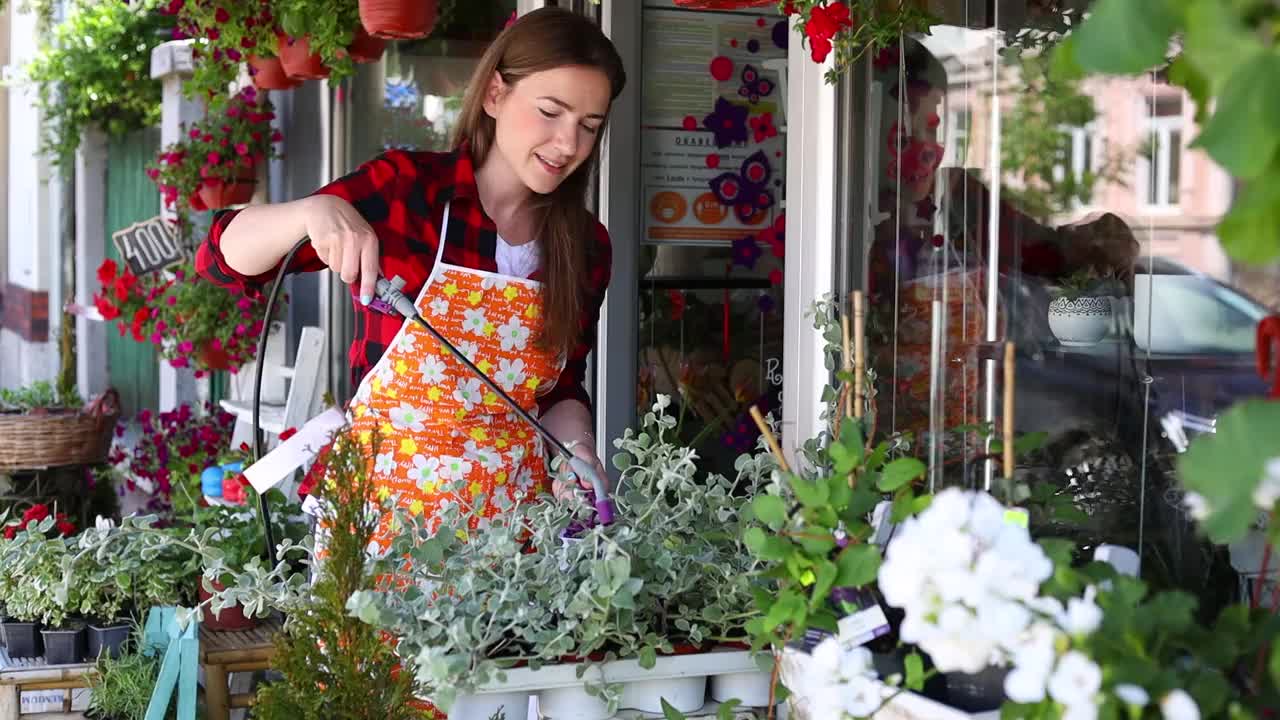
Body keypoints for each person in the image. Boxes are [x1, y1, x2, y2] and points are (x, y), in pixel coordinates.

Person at [195, 7, 626, 546]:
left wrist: (578, 452)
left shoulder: (585, 246)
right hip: (379, 523)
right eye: (550, 112)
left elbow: (561, 387)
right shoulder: (407, 191)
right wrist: (308, 212)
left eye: (589, 127)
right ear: (495, 95)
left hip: (514, 535)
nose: (568, 144)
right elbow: (219, 257)